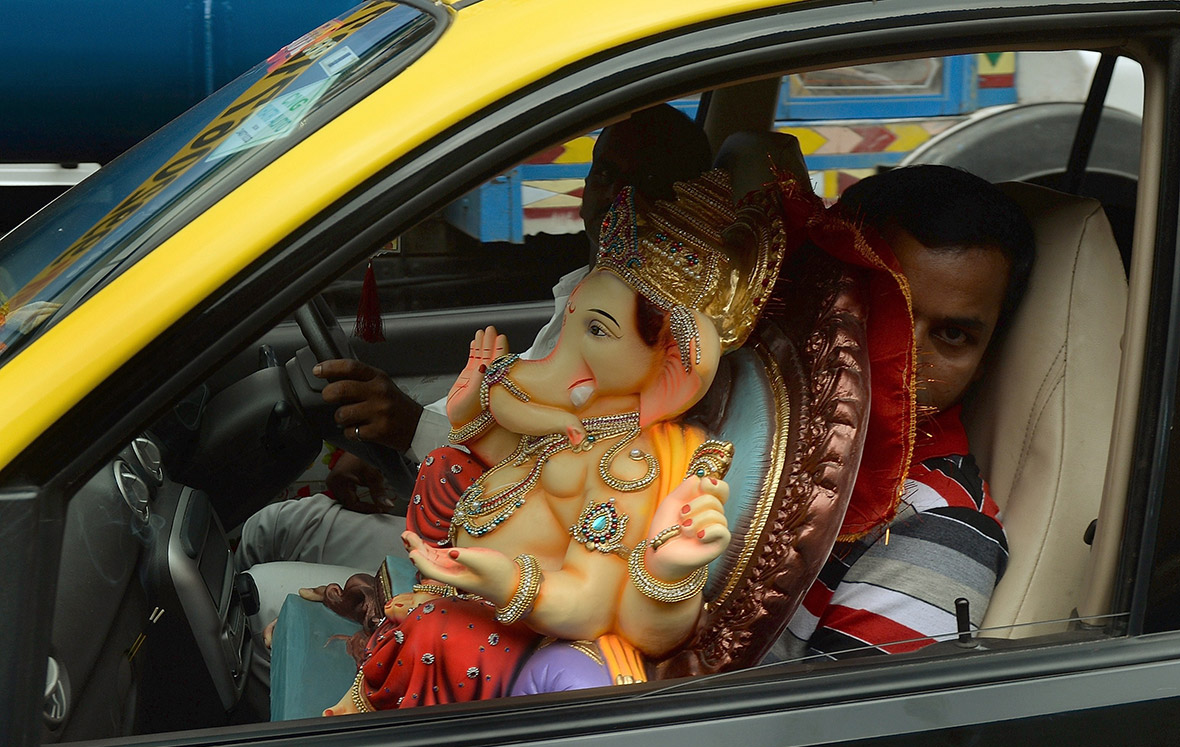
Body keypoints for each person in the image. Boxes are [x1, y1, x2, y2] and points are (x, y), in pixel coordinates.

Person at [234, 105, 715, 692]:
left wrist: (415, 431)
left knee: (253, 600)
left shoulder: (636, 439)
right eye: (599, 174)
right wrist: (419, 435)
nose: (605, 194)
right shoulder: (589, 293)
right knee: (274, 526)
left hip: (506, 591)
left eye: (631, 182)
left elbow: (596, 589)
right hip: (464, 545)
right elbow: (512, 410)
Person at [322, 162, 799, 714]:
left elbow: (591, 600)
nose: (562, 350)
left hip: (505, 628)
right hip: (456, 582)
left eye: (597, 331)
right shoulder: (575, 420)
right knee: (447, 464)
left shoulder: (626, 466)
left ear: (672, 363)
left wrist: (508, 581)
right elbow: (500, 458)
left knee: (435, 630)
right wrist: (468, 414)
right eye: (575, 319)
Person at [765, 164, 1035, 662]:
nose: (904, 353)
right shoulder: (752, 412)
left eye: (953, 335)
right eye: (882, 306)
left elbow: (836, 734)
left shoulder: (936, 526)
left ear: (983, 364)